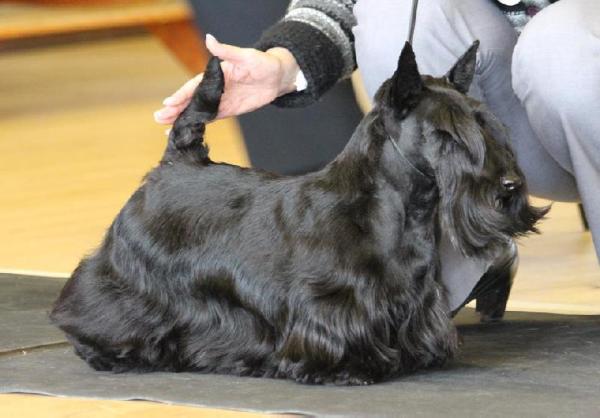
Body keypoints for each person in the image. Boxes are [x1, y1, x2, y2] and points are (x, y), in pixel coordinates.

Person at [154, 0, 600, 309]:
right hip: (515, 123)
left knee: (558, 43)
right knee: (392, 9)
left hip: (579, 69)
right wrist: (284, 65)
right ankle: (434, 282)